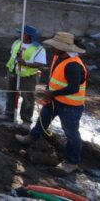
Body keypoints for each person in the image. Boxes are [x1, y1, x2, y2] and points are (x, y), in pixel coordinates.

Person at [15, 32, 88, 176]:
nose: (52, 47)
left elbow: (74, 88)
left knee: (71, 134)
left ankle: (71, 162)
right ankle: (32, 137)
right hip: (55, 99)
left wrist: (52, 93)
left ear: (64, 48)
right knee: (43, 118)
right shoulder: (58, 56)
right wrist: (49, 91)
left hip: (70, 106)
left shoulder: (73, 65)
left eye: (55, 45)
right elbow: (54, 77)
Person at [0, 25, 46, 131]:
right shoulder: (16, 43)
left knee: (27, 98)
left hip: (28, 76)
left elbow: (40, 63)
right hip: (12, 72)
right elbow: (12, 56)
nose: (20, 35)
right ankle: (9, 113)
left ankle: (26, 121)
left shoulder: (39, 49)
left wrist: (25, 63)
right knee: (10, 93)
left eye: (22, 33)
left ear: (29, 36)